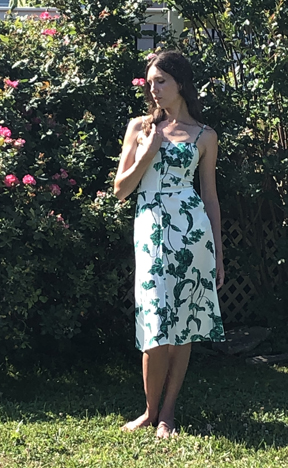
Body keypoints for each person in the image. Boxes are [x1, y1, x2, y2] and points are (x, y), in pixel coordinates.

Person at [114, 50, 225, 439]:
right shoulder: (139, 128)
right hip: (151, 233)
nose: (154, 89)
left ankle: (168, 412)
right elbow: (120, 191)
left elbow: (209, 198)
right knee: (155, 321)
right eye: (150, 83)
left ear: (180, 83)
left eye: (161, 81)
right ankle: (148, 410)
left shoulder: (204, 135)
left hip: (193, 237)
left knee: (186, 326)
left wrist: (219, 258)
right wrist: (146, 153)